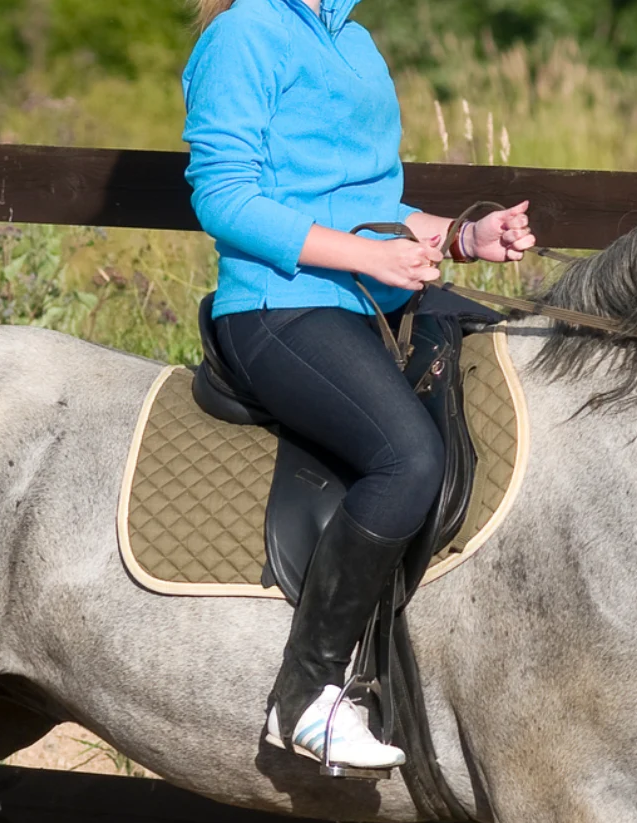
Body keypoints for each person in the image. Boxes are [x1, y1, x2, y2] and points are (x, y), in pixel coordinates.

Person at [183, 0, 535, 773]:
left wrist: (463, 238)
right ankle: (306, 696)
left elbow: (371, 210)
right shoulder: (244, 34)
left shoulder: (355, 38)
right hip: (278, 306)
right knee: (408, 459)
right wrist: (367, 259)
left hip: (365, 298)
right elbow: (223, 198)